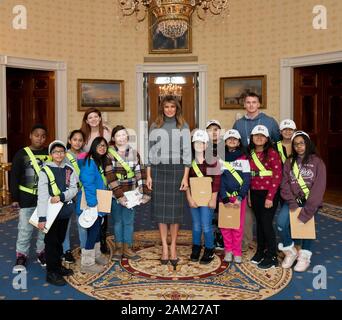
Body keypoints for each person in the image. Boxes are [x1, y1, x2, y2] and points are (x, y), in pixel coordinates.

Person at [146, 95, 191, 269]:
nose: (170, 109)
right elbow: (150, 152)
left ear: (177, 108)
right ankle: (164, 245)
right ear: (162, 109)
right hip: (158, 171)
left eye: (173, 106)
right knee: (161, 211)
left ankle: (173, 247)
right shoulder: (155, 125)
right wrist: (149, 175)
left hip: (177, 170)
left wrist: (185, 177)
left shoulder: (183, 126)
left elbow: (187, 153)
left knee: (175, 212)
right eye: (167, 107)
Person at [233, 92, 280, 253]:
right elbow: (235, 144)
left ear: (259, 104)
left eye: (254, 102)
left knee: (264, 216)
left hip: (265, 169)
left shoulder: (270, 121)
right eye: (248, 102)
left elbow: (277, 143)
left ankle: (268, 246)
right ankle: (245, 242)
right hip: (246, 169)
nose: (251, 105)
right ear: (244, 105)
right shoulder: (238, 124)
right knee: (247, 212)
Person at [277, 131, 326, 272]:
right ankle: (290, 251)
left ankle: (304, 256)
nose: (299, 146)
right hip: (292, 201)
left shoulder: (317, 162)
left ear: (308, 143)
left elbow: (319, 187)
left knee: (306, 228)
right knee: (281, 223)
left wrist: (309, 210)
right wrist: (291, 202)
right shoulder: (289, 161)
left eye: (302, 143)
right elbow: (284, 184)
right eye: (296, 144)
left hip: (310, 202)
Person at [105, 125, 151, 262]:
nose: (121, 137)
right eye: (118, 135)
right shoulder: (109, 154)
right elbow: (110, 176)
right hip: (115, 194)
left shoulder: (134, 153)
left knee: (129, 221)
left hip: (131, 194)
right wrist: (119, 196)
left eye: (124, 134)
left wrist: (145, 193)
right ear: (113, 138)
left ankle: (128, 247)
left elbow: (140, 174)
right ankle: (119, 248)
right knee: (117, 221)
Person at [37, 140, 78, 286]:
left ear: (65, 153)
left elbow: (74, 189)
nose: (59, 154)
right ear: (50, 154)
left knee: (60, 240)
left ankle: (57, 266)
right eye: (55, 152)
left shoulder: (69, 169)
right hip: (50, 213)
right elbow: (42, 196)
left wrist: (62, 196)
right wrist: (42, 217)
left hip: (64, 211)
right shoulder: (45, 170)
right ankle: (51, 272)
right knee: (51, 242)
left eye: (61, 151)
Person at [11, 124, 50, 271]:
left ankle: (41, 252)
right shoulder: (21, 154)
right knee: (25, 229)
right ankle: (21, 255)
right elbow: (14, 177)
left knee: (43, 228)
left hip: (45, 199)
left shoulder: (49, 153)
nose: (40, 138)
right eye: (36, 135)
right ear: (30, 136)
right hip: (26, 197)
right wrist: (15, 198)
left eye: (43, 136)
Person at [248, 125, 282, 269]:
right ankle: (261, 251)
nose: (259, 138)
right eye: (256, 135)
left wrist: (270, 197)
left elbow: (277, 176)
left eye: (262, 135)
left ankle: (272, 255)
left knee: (267, 224)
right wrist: (249, 195)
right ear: (252, 137)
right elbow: (247, 177)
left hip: (269, 193)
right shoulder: (250, 153)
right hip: (254, 193)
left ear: (267, 138)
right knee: (260, 224)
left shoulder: (272, 153)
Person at [187, 130, 221, 265]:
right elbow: (186, 181)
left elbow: (217, 180)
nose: (199, 145)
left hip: (208, 199)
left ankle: (209, 248)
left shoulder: (212, 160)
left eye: (202, 142)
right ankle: (196, 247)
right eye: (196, 142)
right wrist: (189, 198)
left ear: (207, 145)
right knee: (196, 225)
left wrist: (213, 199)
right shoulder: (189, 161)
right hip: (194, 198)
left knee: (206, 226)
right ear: (192, 144)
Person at [80, 108, 111, 254]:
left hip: (103, 180)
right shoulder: (83, 135)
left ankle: (100, 246)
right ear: (86, 120)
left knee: (102, 219)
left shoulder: (106, 132)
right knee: (92, 219)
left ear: (100, 118)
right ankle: (89, 252)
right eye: (90, 117)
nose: (93, 119)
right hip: (91, 176)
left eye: (96, 116)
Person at [77, 137, 109, 273]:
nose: (102, 148)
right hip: (92, 202)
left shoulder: (99, 161)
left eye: (104, 146)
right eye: (99, 145)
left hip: (99, 200)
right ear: (94, 146)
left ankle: (96, 255)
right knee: (93, 230)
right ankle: (87, 263)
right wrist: (92, 204)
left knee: (97, 229)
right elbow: (87, 183)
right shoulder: (89, 161)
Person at [220, 129, 251, 264]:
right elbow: (219, 180)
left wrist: (240, 197)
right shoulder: (220, 158)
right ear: (225, 142)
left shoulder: (244, 158)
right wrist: (224, 198)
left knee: (238, 226)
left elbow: (247, 179)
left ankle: (237, 251)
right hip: (225, 198)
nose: (232, 141)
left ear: (239, 142)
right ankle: (228, 250)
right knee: (225, 225)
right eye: (229, 139)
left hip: (239, 198)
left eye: (235, 139)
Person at [61, 130, 85, 264]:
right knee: (67, 222)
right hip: (68, 193)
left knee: (82, 221)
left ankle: (84, 247)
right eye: (75, 139)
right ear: (70, 140)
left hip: (82, 192)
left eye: (80, 140)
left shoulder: (84, 155)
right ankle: (66, 250)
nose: (77, 142)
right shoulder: (64, 155)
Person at [205, 120, 225, 251]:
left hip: (224, 182)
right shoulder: (203, 146)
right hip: (208, 184)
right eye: (210, 129)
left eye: (216, 129)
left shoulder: (226, 145)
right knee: (209, 212)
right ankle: (209, 237)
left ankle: (222, 237)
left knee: (222, 211)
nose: (213, 132)